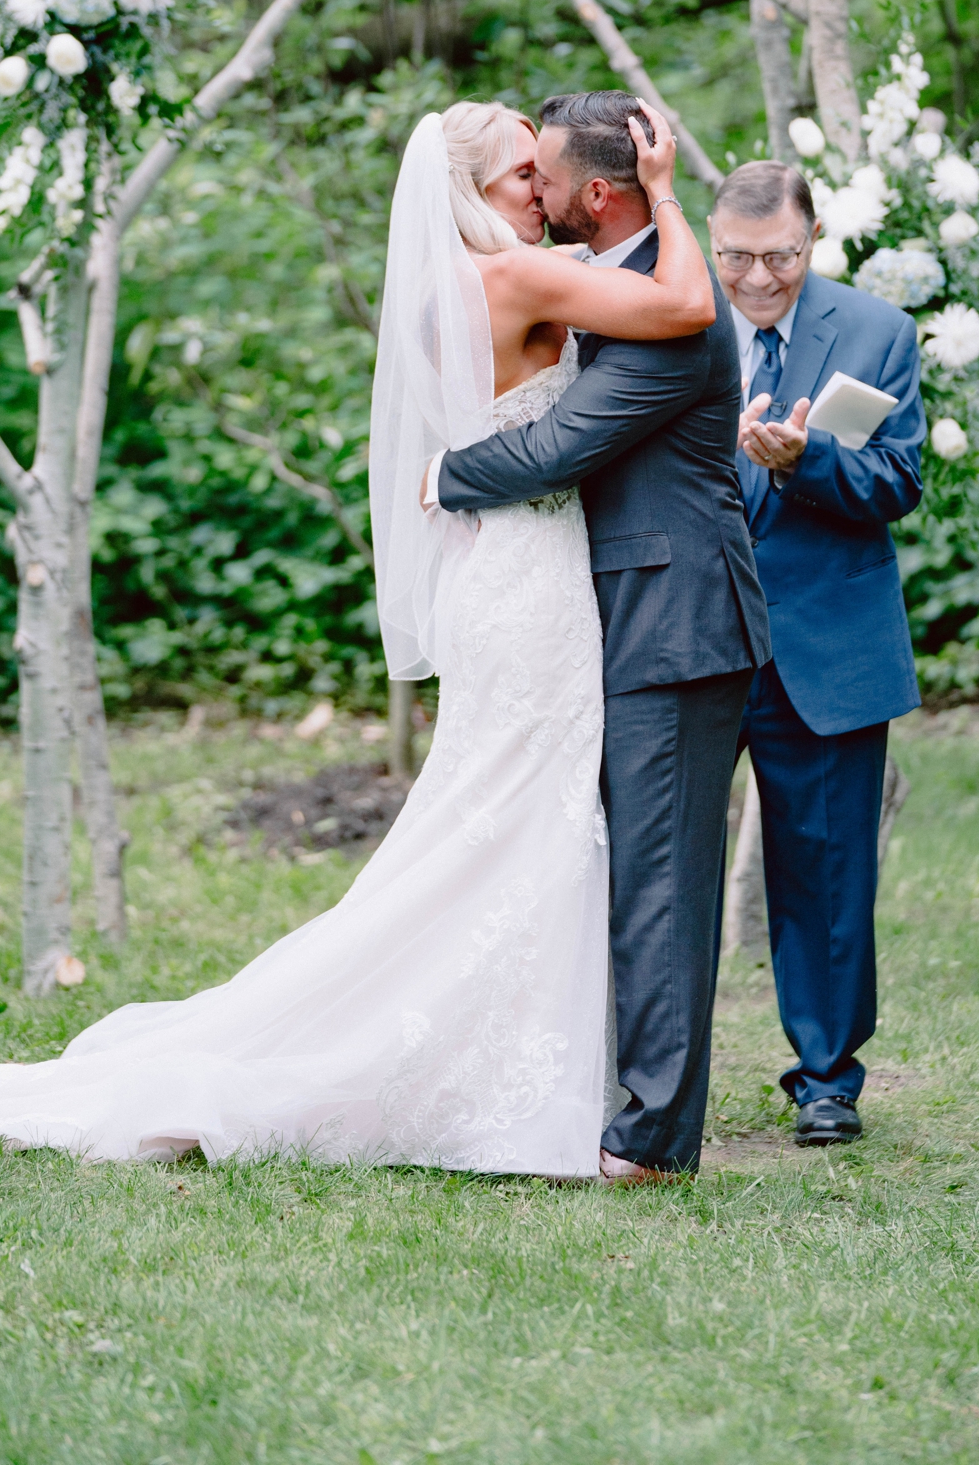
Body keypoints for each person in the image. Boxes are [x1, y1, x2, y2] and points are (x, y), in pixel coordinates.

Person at [0, 96, 720, 1179]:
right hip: (529, 585)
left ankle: (541, 1065)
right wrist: (672, 193)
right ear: (466, 192)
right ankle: (497, 1074)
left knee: (496, 823)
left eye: (541, 180)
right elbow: (687, 301)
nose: (540, 200)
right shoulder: (511, 275)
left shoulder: (440, 293)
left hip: (498, 577)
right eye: (519, 181)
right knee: (517, 823)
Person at [430, 91, 770, 1181]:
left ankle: (655, 1137)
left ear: (595, 192)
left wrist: (435, 473)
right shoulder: (616, 287)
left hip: (674, 622)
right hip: (609, 616)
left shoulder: (673, 305)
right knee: (611, 870)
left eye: (546, 177)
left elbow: (552, 450)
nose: (534, 193)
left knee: (661, 881)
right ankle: (599, 1092)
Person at [710, 161, 923, 1144]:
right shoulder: (677, 317)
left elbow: (895, 480)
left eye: (778, 256)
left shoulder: (876, 332)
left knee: (827, 868)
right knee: (658, 859)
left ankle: (827, 1076)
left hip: (824, 641)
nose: (756, 277)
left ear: (814, 237)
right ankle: (645, 1063)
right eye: (737, 256)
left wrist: (809, 463)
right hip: (694, 636)